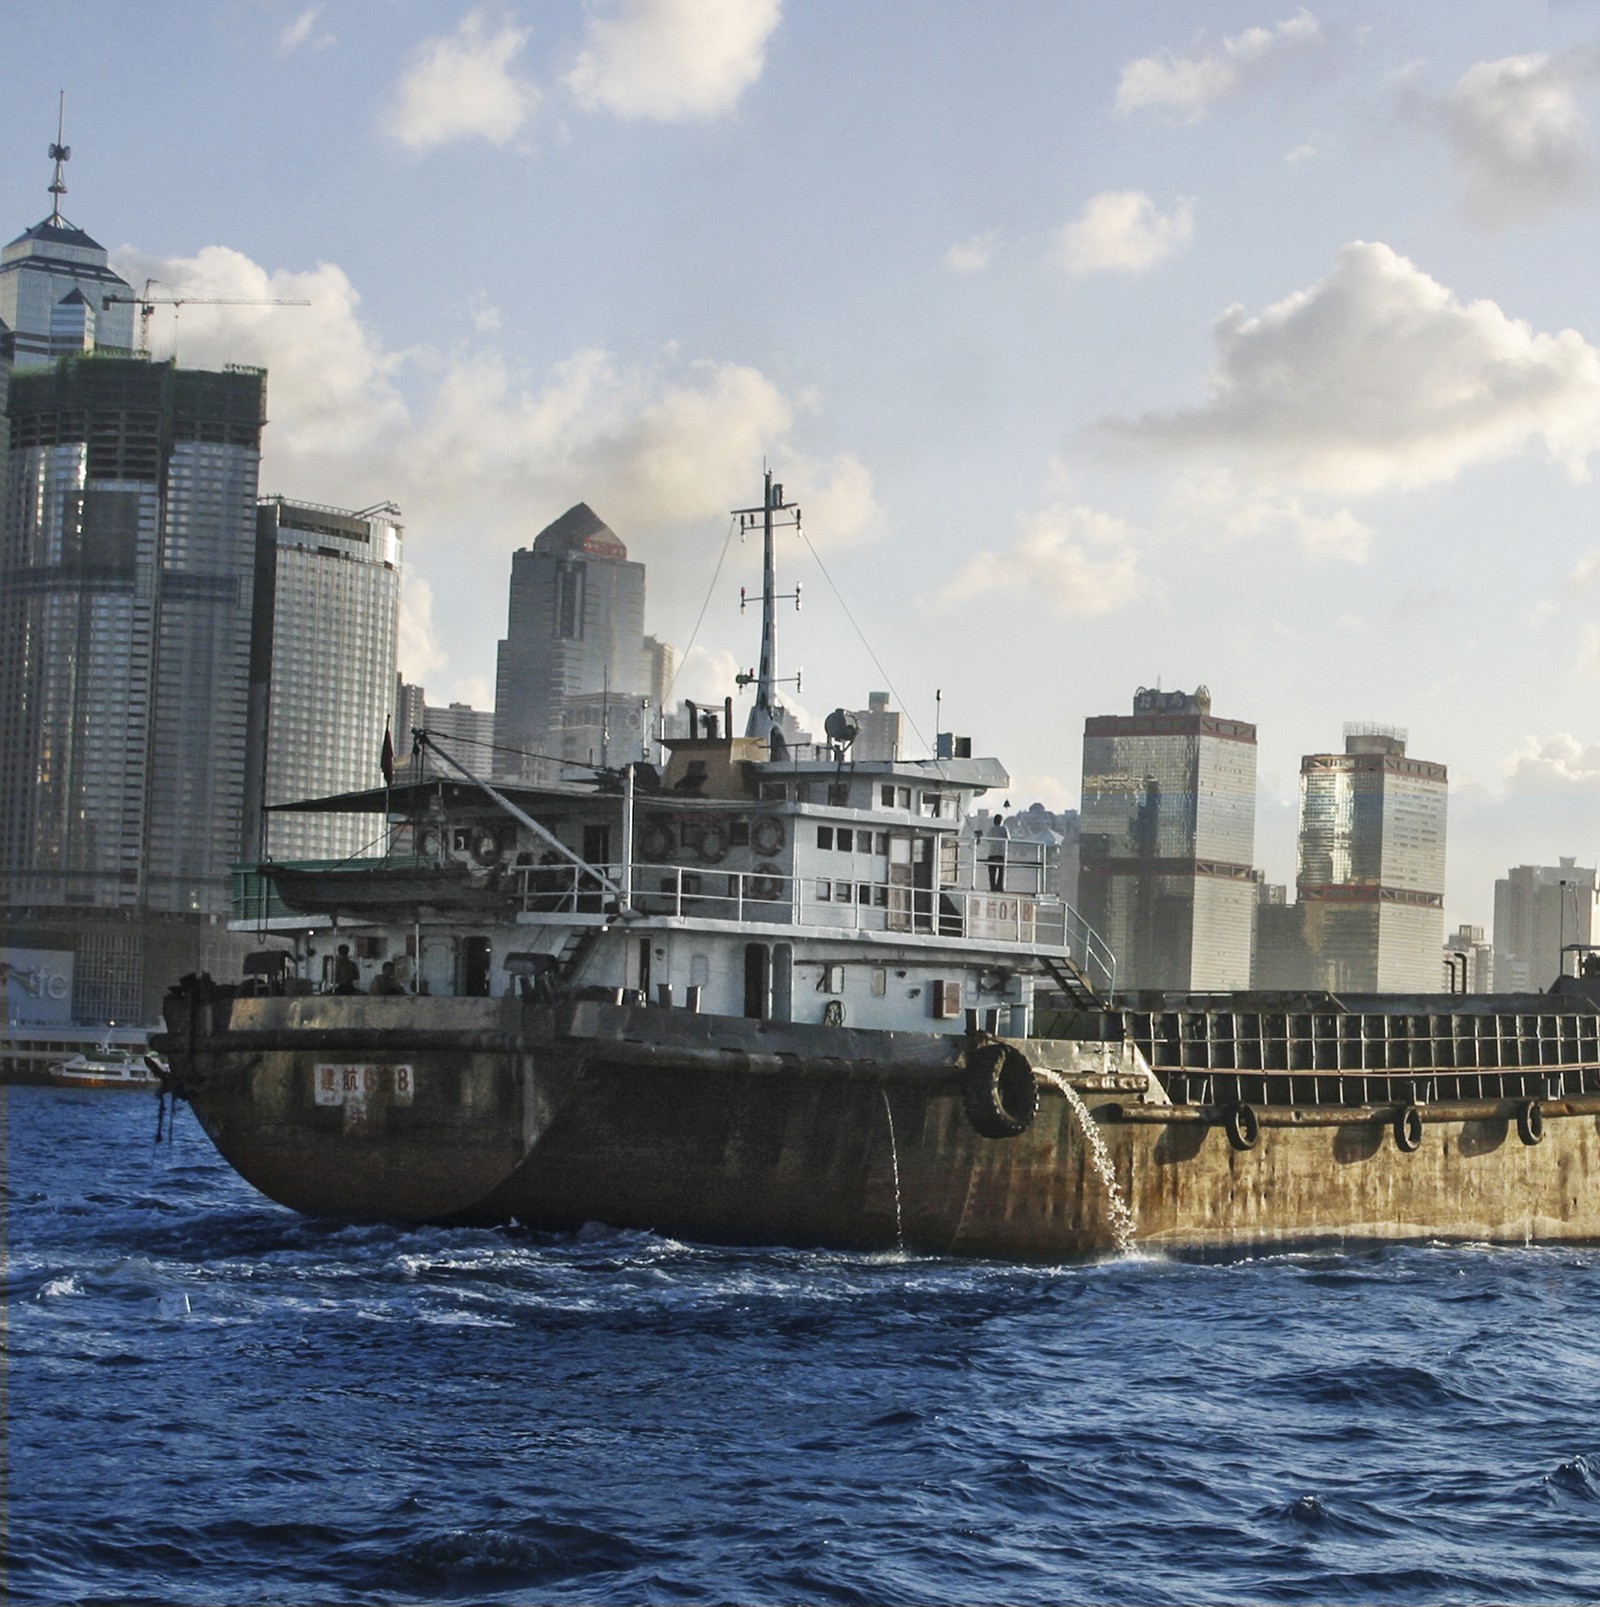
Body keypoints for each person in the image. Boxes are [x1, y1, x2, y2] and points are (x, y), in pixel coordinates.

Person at [986, 814, 1009, 892]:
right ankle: (1000, 886)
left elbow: (988, 839)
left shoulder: (991, 829)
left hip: (992, 853)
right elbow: (1008, 839)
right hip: (1001, 853)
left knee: (992, 872)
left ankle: (992, 887)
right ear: (1001, 821)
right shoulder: (1004, 829)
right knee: (1001, 871)